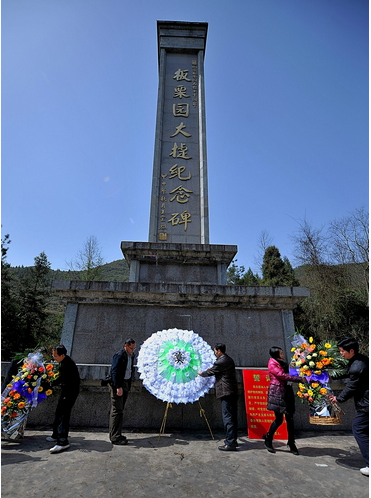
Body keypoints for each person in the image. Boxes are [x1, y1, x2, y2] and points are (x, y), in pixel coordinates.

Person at [329, 337, 369, 477]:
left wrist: (338, 398)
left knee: (358, 428)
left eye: (342, 351)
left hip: (367, 404)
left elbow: (351, 386)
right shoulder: (359, 360)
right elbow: (347, 372)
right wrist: (330, 374)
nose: (341, 354)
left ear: (351, 351)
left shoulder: (358, 366)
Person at [199, 343, 238, 451]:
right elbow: (216, 370)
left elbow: (212, 371)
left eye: (215, 350)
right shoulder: (228, 359)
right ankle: (233, 440)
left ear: (219, 351)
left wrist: (201, 373)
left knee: (228, 418)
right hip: (233, 391)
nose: (215, 352)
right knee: (233, 417)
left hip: (226, 392)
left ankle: (230, 443)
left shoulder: (220, 361)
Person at [264, 346, 301, 455]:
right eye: (280, 353)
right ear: (276, 354)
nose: (282, 354)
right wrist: (299, 379)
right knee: (279, 419)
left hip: (287, 392)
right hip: (278, 393)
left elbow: (291, 370)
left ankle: (291, 443)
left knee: (290, 418)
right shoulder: (272, 364)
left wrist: (298, 358)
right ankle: (268, 439)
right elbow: (282, 376)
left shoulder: (282, 362)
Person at [46, 345, 80, 454]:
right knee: (58, 412)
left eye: (55, 356)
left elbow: (61, 378)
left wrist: (50, 384)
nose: (54, 358)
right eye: (53, 355)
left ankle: (63, 441)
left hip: (70, 392)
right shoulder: (64, 362)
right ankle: (56, 434)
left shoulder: (67, 364)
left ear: (62, 355)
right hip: (66, 390)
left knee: (63, 415)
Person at [109, 339, 136, 445]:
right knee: (117, 410)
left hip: (125, 384)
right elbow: (114, 371)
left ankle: (117, 434)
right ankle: (115, 437)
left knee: (120, 410)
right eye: (131, 348)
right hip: (118, 385)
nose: (133, 350)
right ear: (126, 346)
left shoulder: (131, 356)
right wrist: (118, 386)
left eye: (134, 348)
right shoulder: (119, 355)